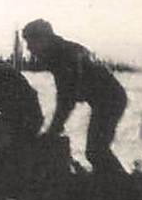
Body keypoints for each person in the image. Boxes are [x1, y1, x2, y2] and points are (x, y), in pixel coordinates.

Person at [22, 19, 128, 176]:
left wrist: (54, 129)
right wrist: (55, 128)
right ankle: (108, 184)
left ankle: (128, 192)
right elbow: (66, 95)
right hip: (104, 99)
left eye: (31, 41)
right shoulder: (60, 51)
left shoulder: (63, 55)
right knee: (96, 150)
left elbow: (67, 98)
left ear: (43, 39)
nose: (29, 48)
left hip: (111, 100)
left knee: (96, 151)